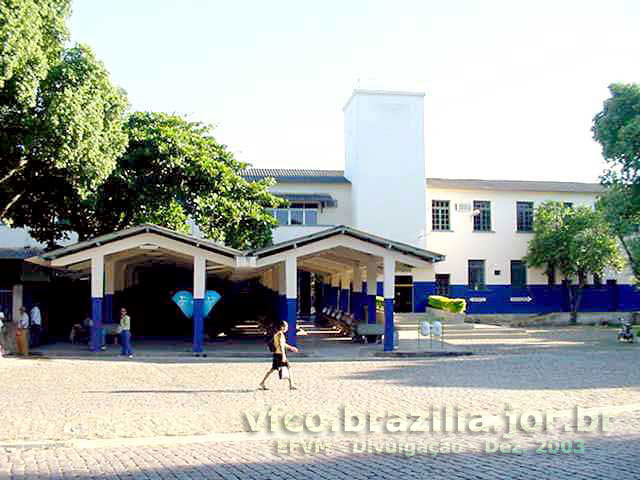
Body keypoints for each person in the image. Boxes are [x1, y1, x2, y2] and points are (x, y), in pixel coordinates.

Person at [259, 321, 299, 390]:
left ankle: (262, 382)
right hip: (280, 354)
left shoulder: (277, 334)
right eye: (286, 326)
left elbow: (283, 344)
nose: (287, 328)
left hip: (276, 354)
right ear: (282, 327)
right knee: (289, 368)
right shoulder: (281, 335)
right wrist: (284, 356)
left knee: (273, 369)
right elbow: (281, 345)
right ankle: (291, 385)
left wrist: (291, 348)